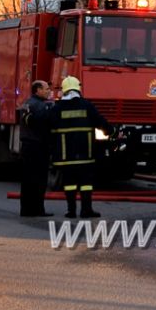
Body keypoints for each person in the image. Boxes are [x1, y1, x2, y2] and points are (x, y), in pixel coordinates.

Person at [48, 76, 112, 218]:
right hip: (85, 152)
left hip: (66, 154)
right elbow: (100, 121)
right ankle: (86, 210)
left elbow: (48, 125)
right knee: (86, 183)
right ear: (78, 89)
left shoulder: (57, 107)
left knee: (69, 182)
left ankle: (71, 211)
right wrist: (110, 131)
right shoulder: (87, 105)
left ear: (64, 90)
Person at [19, 80, 53, 217]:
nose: (49, 91)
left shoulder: (27, 103)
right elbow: (35, 122)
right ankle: (38, 209)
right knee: (39, 179)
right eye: (46, 89)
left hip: (28, 146)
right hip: (37, 146)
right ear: (38, 90)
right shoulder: (39, 106)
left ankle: (26, 210)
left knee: (27, 180)